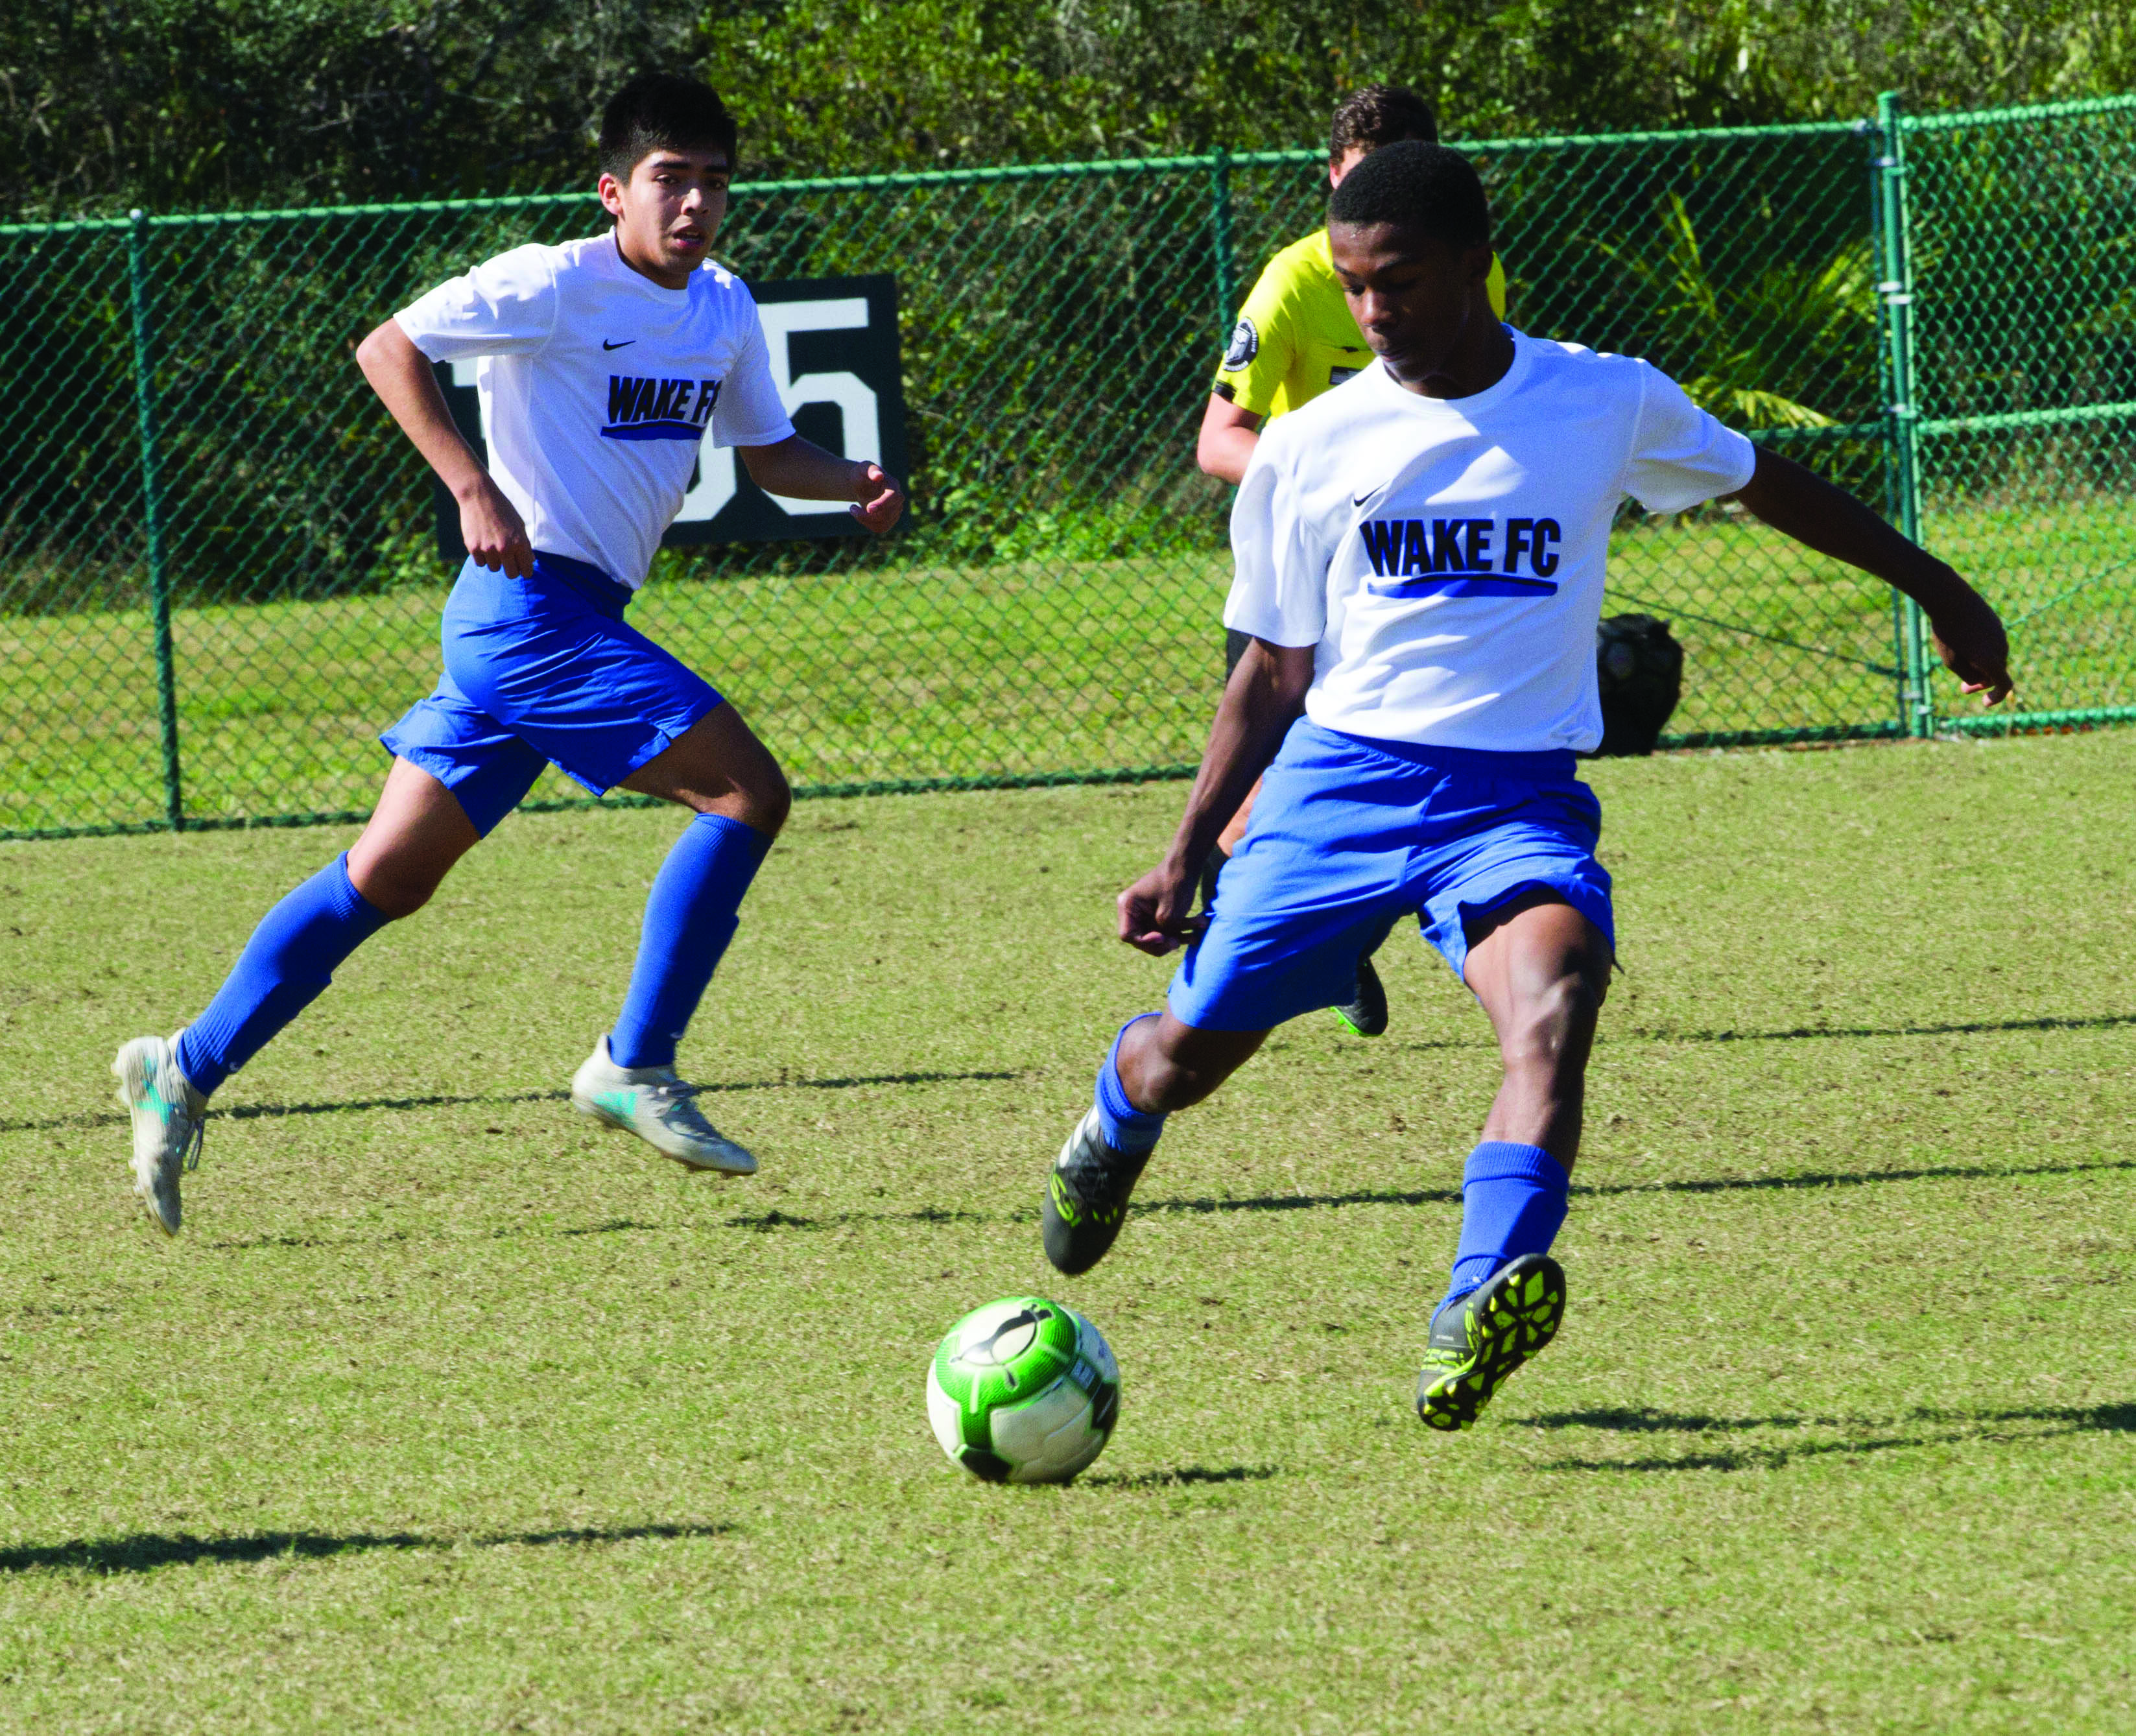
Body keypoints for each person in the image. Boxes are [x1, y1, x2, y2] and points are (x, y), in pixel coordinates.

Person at [1043, 141, 2011, 1431]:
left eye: (1397, 281)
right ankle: (1119, 1113)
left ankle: (1477, 1300)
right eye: (1351, 285)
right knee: (1187, 1057)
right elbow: (1274, 671)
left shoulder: (1601, 401)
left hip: (1513, 802)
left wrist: (1941, 589)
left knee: (1554, 1006)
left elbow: (1769, 487)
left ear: (1473, 265)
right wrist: (1189, 848)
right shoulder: (1312, 447)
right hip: (1339, 786)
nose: (1371, 312)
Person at [110, 73, 906, 1237]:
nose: (692, 204)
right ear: (613, 192)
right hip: (527, 614)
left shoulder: (725, 305)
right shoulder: (549, 280)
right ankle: (633, 1063)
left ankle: (179, 1067)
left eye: (713, 184)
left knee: (387, 878)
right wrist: (471, 483)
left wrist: (853, 487)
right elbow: (388, 348)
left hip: (563, 619)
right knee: (747, 794)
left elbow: (770, 452)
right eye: (668, 181)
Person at [1196, 84, 1507, 1039]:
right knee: (1259, 797)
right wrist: (1329, 483)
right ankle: (1240, 951)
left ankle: (1356, 925)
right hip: (1309, 577)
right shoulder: (1295, 280)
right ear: (1332, 178)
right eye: (1364, 175)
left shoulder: (1469, 277)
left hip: (1418, 573)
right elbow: (1218, 441)